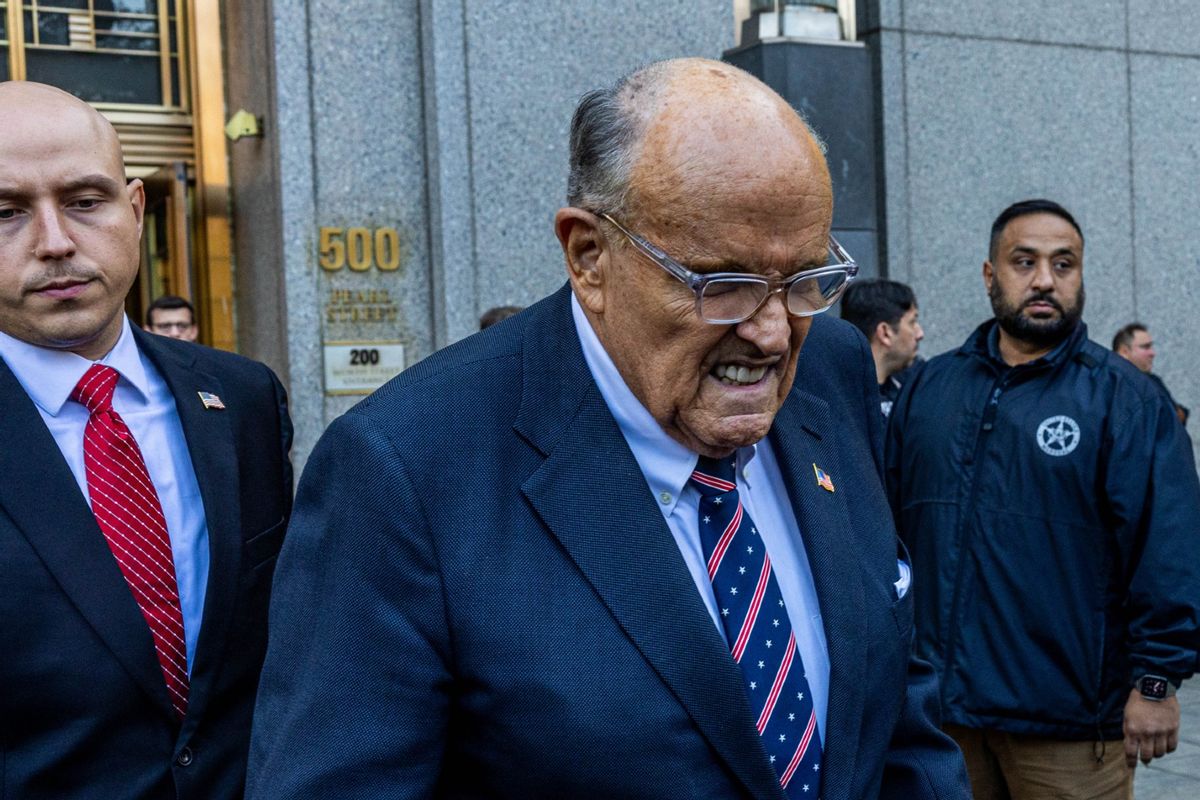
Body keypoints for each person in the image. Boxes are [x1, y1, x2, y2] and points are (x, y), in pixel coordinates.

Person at [248, 58, 967, 799]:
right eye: (725, 285)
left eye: (807, 280)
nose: (774, 334)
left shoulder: (834, 371)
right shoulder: (403, 471)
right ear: (590, 255)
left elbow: (893, 702)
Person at [0, 82, 293, 799]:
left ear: (134, 211)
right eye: (6, 213)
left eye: (85, 201)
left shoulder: (244, 399)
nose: (56, 241)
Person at [886, 198, 1200, 800]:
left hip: (1069, 726)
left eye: (1064, 265)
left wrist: (1156, 680)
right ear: (989, 274)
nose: (1044, 281)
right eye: (1023, 262)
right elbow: (885, 537)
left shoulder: (1126, 402)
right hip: (941, 720)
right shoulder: (931, 389)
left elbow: (1170, 549)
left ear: (1080, 275)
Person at [840, 279, 924, 417]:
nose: (920, 333)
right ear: (885, 332)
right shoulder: (844, 402)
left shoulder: (913, 385)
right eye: (912, 322)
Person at [1113, 322, 1188, 427]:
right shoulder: (1109, 384)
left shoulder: (1153, 380)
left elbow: (1175, 417)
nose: (1152, 353)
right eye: (1145, 347)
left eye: (1151, 347)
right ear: (1124, 351)